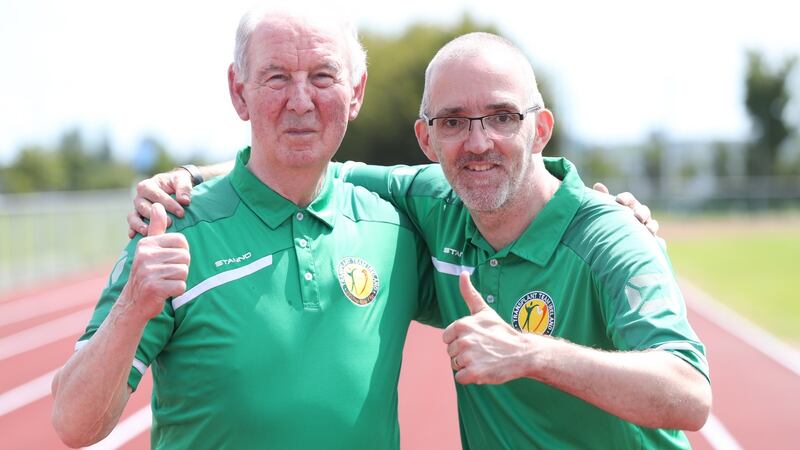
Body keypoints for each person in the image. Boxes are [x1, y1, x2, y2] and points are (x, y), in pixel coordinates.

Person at [133, 32, 711, 449]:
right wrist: (190, 176)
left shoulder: (611, 237)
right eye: (454, 121)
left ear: (540, 129)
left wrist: (531, 353)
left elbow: (689, 394)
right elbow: (307, 164)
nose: (479, 142)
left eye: (503, 117)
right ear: (426, 138)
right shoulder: (435, 203)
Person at [50, 7, 439, 449]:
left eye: (323, 77)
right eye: (276, 77)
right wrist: (134, 303)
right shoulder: (173, 228)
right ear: (239, 92)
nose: (300, 100)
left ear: (356, 92)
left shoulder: (394, 229)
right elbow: (72, 424)